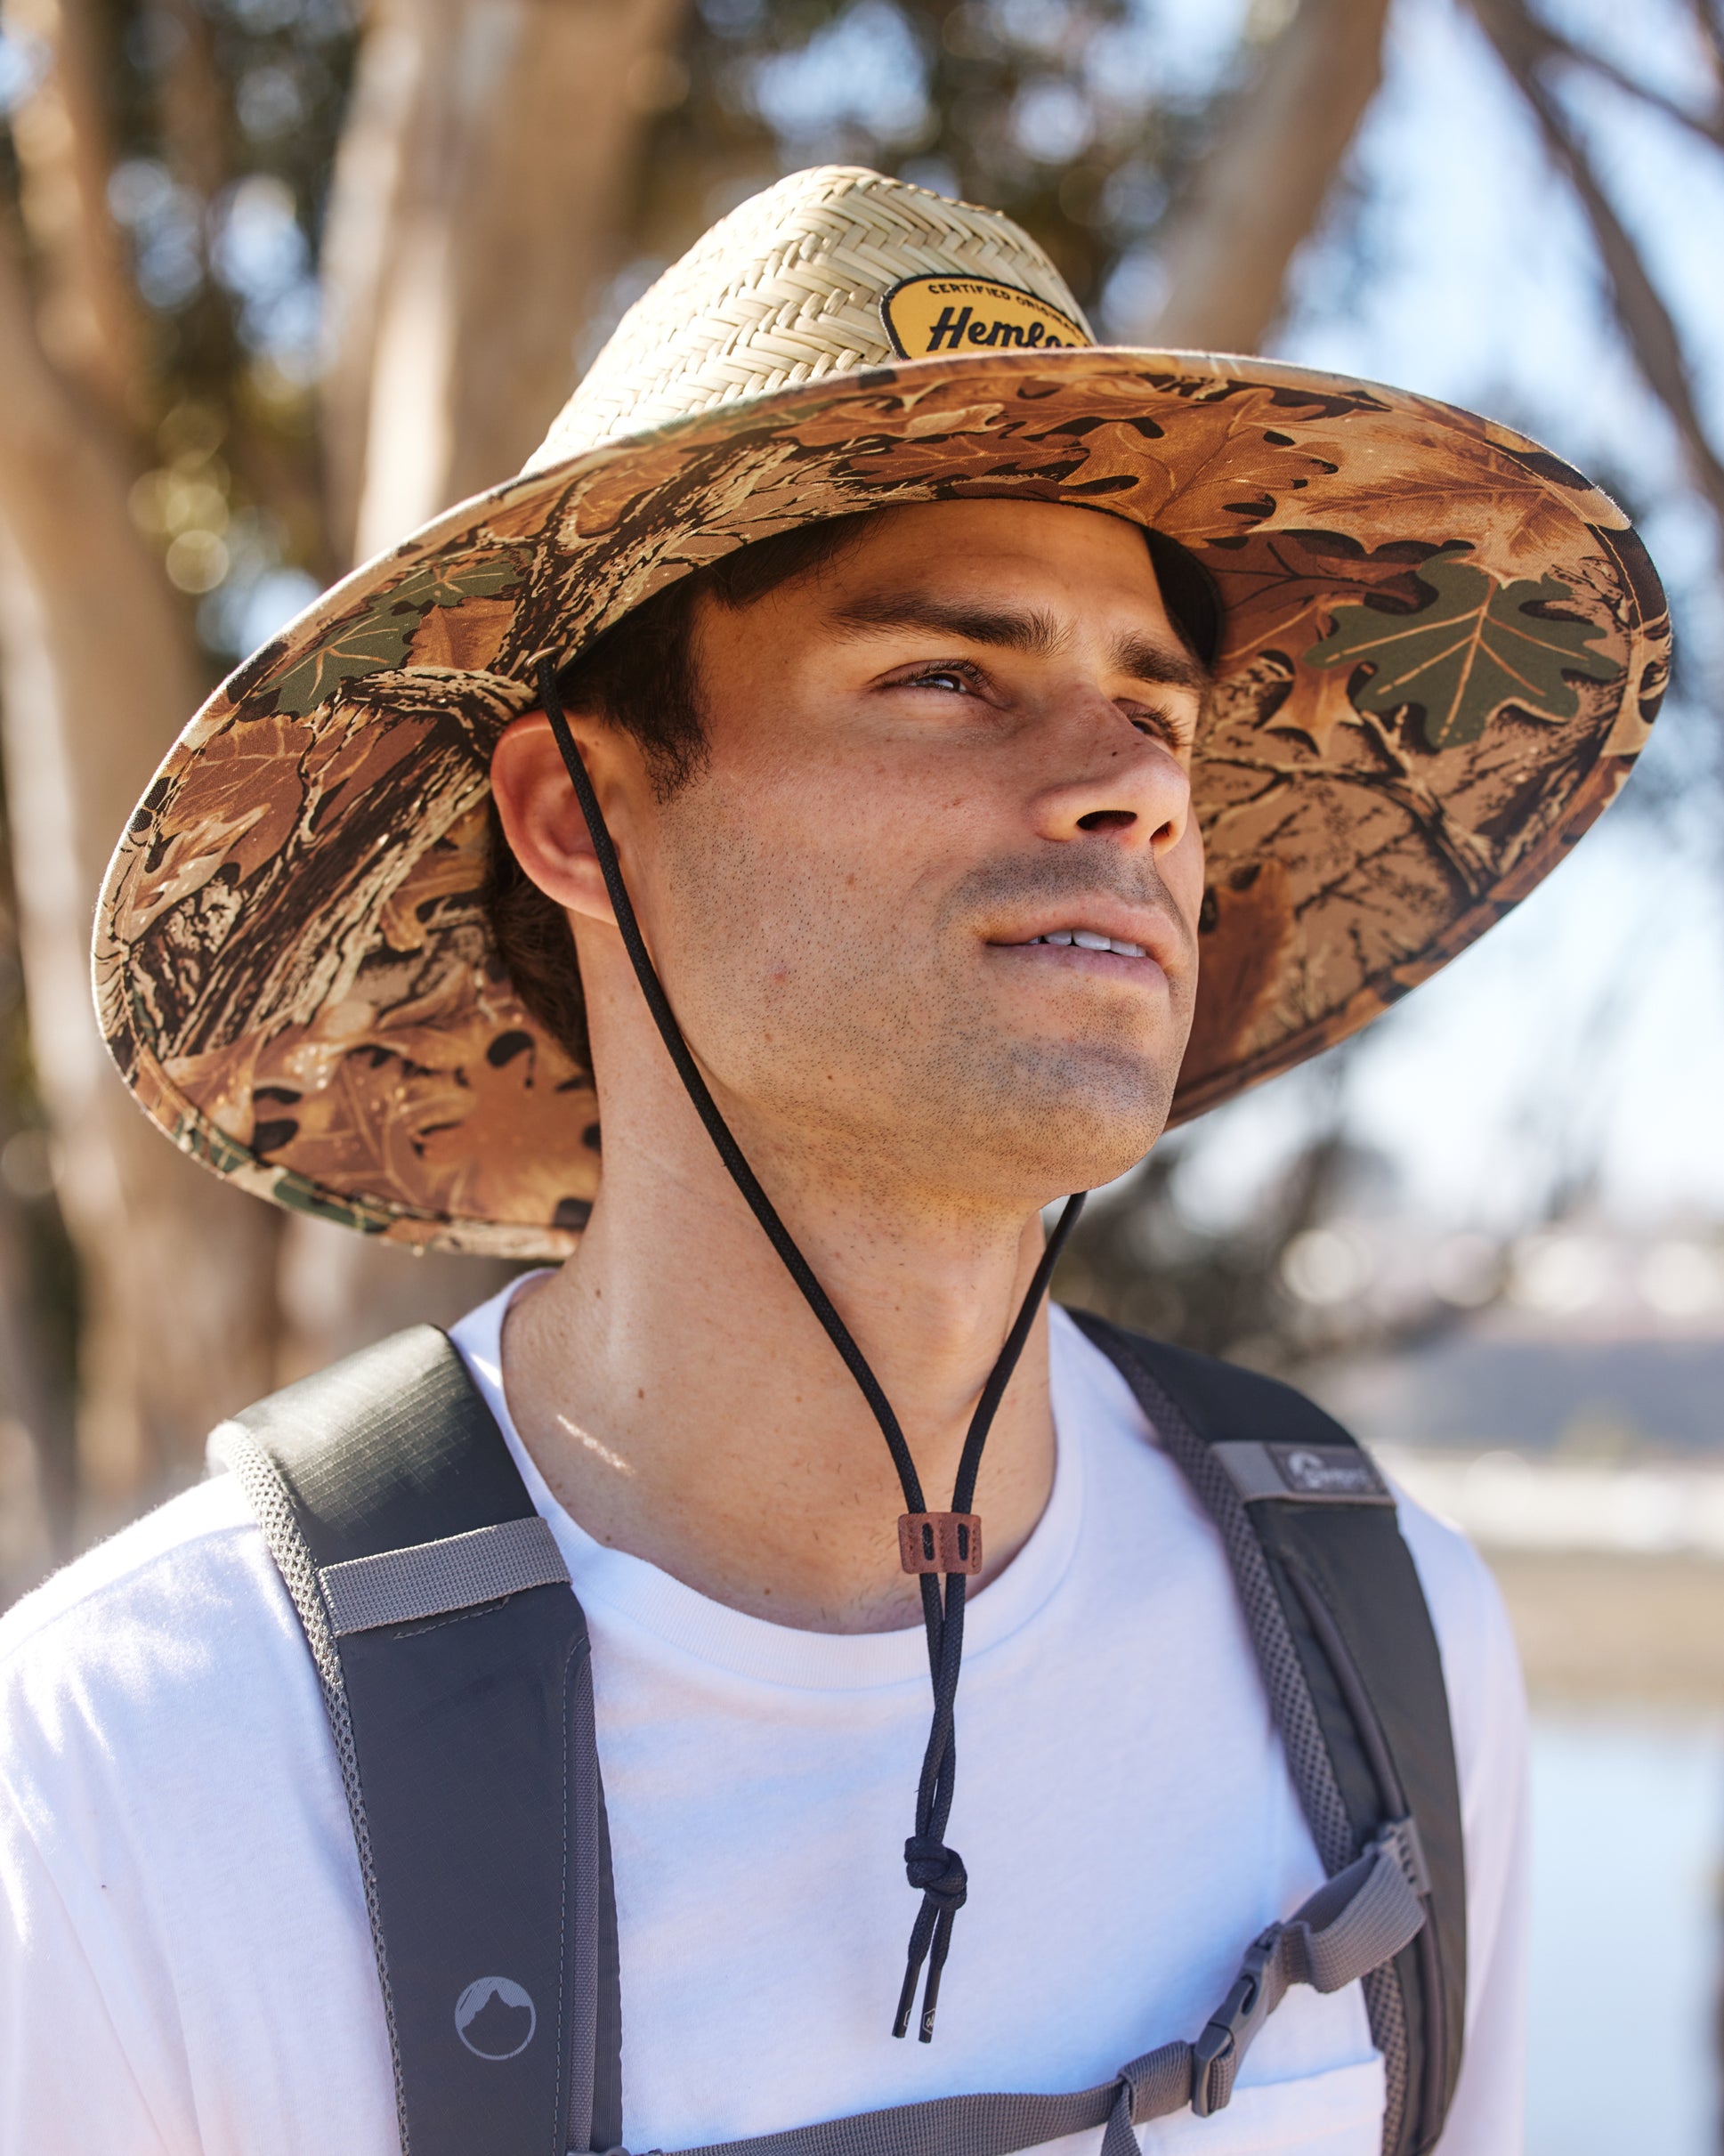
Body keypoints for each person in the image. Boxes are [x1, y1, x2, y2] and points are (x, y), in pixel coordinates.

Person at [0, 166, 1667, 2156]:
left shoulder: (1384, 1640)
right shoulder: (134, 1769)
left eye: (1158, 706)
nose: (1133, 780)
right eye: (947, 677)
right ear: (574, 809)